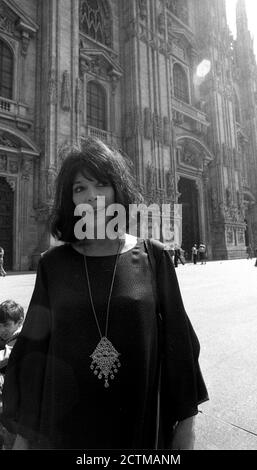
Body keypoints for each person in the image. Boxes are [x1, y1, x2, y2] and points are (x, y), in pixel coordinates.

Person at [1, 137, 208, 450]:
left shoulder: (154, 257)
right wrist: (24, 436)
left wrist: (186, 427)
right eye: (80, 188)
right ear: (71, 200)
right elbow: (34, 351)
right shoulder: (53, 264)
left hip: (139, 422)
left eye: (101, 184)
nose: (93, 197)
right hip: (68, 426)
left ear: (117, 190)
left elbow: (179, 346)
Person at [0, 300, 24, 449]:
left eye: (6, 325)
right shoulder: (4, 338)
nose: (1, 329)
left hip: (15, 407)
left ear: (19, 322)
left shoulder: (22, 339)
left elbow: (4, 356)